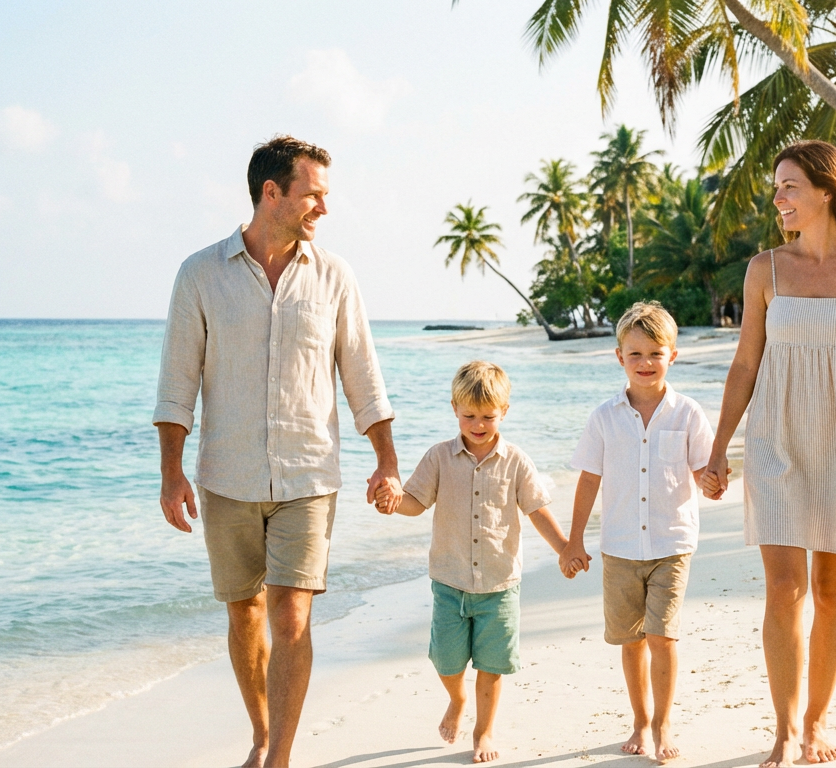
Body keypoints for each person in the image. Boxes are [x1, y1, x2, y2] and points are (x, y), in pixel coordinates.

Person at [154, 135, 403, 768]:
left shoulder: (335, 276)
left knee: (291, 617)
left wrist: (387, 459)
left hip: (308, 475)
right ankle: (262, 734)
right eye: (313, 193)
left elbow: (362, 375)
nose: (324, 207)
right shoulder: (200, 274)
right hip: (226, 476)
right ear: (273, 193)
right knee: (245, 612)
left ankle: (280, 759)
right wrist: (171, 473)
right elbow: (177, 383)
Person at [700, 140, 836, 766]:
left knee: (831, 591)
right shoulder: (765, 270)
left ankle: (817, 721)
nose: (778, 198)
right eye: (776, 188)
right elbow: (745, 364)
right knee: (783, 588)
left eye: (789, 186)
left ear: (827, 190)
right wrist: (719, 449)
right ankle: (785, 729)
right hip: (775, 439)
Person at [377, 360, 572, 763]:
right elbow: (416, 503)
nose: (478, 424)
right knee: (446, 661)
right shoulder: (439, 457)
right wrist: (393, 501)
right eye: (469, 416)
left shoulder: (516, 460)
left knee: (491, 665)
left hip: (499, 585)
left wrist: (565, 548)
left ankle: (483, 731)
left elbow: (536, 510)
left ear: (504, 412)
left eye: (487, 416)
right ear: (454, 408)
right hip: (449, 581)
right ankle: (457, 698)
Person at [563, 301, 714, 762]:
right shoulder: (603, 417)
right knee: (630, 640)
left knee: (662, 636)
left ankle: (664, 723)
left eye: (655, 354)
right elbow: (589, 478)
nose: (645, 363)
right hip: (620, 547)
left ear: (673, 355)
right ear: (619, 357)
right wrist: (573, 540)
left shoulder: (688, 414)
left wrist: (712, 481)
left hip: (672, 543)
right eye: (635, 354)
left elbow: (704, 470)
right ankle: (641, 722)